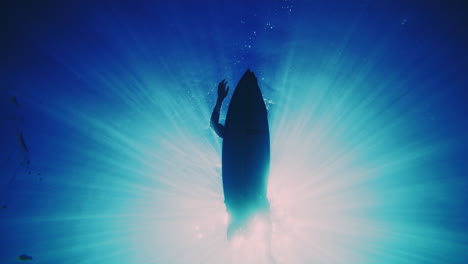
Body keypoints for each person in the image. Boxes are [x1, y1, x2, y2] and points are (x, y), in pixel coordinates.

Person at [211, 70, 270, 239]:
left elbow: (213, 124)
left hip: (241, 199)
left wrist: (220, 99)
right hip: (247, 198)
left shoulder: (230, 133)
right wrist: (220, 98)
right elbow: (213, 124)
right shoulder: (258, 206)